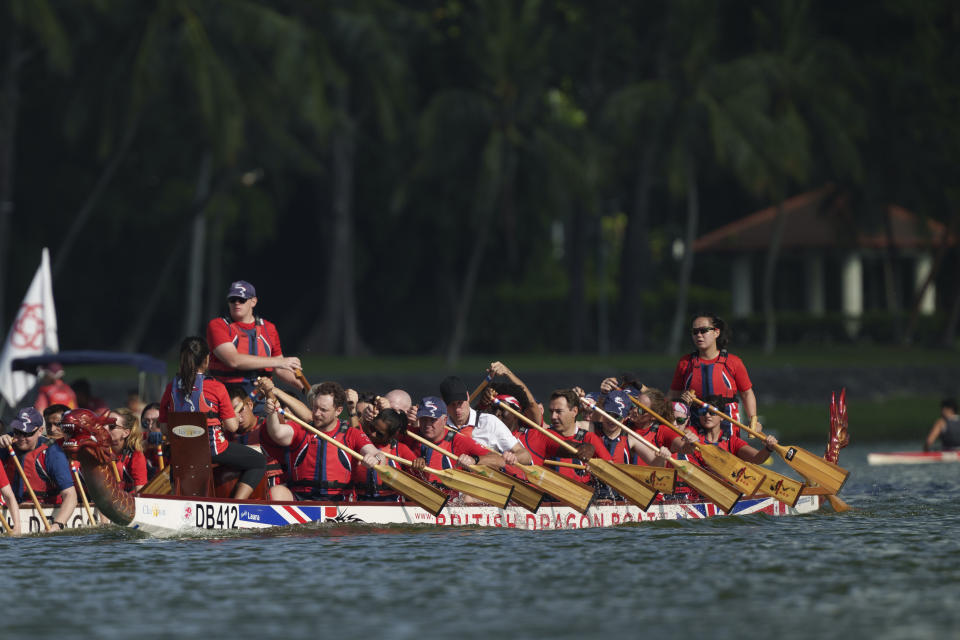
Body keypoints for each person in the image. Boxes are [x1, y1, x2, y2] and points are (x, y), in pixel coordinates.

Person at [158, 337, 266, 500]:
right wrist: (233, 417)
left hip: (181, 454)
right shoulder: (216, 387)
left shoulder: (170, 388)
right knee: (259, 462)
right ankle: (236, 505)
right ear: (207, 359)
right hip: (213, 450)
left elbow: (165, 428)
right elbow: (232, 427)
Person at [262, 381, 383, 502]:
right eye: (315, 407)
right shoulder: (302, 428)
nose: (316, 413)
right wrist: (271, 414)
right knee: (276, 492)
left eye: (323, 410)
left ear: (338, 411)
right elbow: (277, 433)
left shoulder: (351, 433)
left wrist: (375, 459)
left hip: (338, 501)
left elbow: (378, 454)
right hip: (302, 499)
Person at [206, 280, 304, 404]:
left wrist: (306, 389)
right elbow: (233, 360)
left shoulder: (269, 328)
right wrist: (280, 362)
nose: (236, 303)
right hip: (229, 398)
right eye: (232, 300)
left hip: (262, 397)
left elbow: (280, 370)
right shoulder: (218, 325)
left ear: (253, 302)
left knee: (293, 417)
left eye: (242, 300)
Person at [668, 314, 760, 433]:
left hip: (727, 424)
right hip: (694, 425)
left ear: (716, 332)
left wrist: (753, 421)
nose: (699, 335)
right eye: (695, 332)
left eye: (704, 331)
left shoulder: (734, 362)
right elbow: (672, 396)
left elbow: (747, 394)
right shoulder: (685, 363)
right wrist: (682, 401)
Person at [0, 407, 77, 530]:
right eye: (17, 431)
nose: (20, 437)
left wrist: (58, 525)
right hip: (10, 506)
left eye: (27, 433)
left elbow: (70, 495)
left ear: (40, 431)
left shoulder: (52, 453)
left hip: (46, 509)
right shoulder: (7, 443)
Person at [441, 376, 531, 466]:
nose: (457, 409)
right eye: (452, 404)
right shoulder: (440, 425)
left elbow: (526, 456)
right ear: (444, 403)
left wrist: (514, 457)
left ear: (467, 397)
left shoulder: (490, 422)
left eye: (460, 403)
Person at [410, 397, 504, 482]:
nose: (427, 424)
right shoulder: (411, 434)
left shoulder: (458, 440)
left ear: (445, 420)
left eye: (432, 420)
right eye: (423, 419)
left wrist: (474, 460)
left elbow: (500, 461)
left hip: (452, 496)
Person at [670, 394, 778, 466]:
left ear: (722, 416)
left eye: (712, 412)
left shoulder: (732, 442)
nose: (707, 415)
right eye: (703, 412)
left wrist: (768, 448)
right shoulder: (691, 432)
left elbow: (757, 458)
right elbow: (677, 433)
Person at [352, 408, 419, 501]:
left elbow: (419, 474)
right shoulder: (361, 443)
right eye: (372, 428)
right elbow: (355, 427)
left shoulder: (401, 449)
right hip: (360, 500)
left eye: (379, 434)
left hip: (391, 503)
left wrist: (420, 462)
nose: (372, 434)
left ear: (392, 435)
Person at [592, 390, 671, 466]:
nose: (611, 419)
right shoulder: (590, 427)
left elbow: (656, 464)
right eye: (608, 414)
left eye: (617, 417)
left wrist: (662, 457)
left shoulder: (632, 438)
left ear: (625, 417)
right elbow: (585, 423)